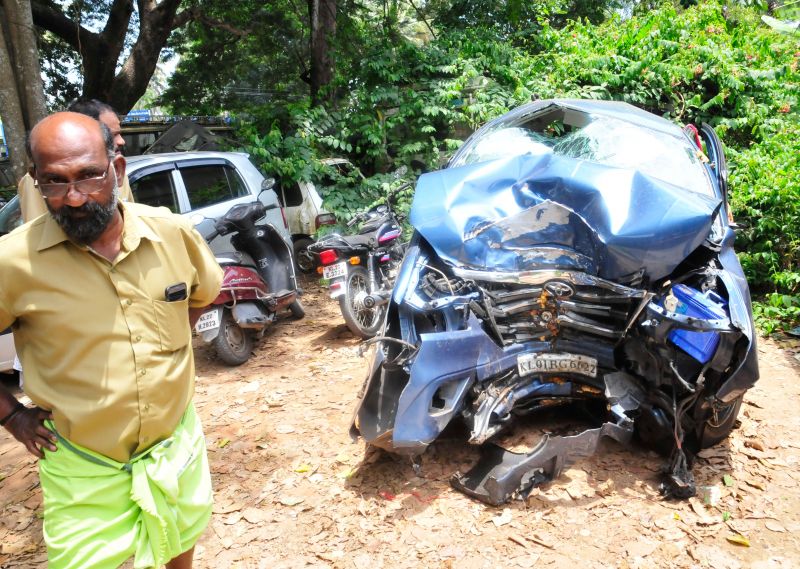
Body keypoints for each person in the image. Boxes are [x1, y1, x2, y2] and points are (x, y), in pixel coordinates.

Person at [0, 112, 223, 569]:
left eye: (88, 176)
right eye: (55, 182)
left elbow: (202, 294)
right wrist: (15, 419)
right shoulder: (12, 263)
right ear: (36, 183)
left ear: (117, 171)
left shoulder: (170, 233)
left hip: (174, 447)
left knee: (180, 549)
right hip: (82, 469)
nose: (75, 197)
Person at [17, 99, 135, 222]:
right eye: (112, 135)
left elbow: (128, 215)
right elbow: (38, 230)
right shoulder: (39, 181)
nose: (121, 141)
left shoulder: (115, 168)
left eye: (90, 175)